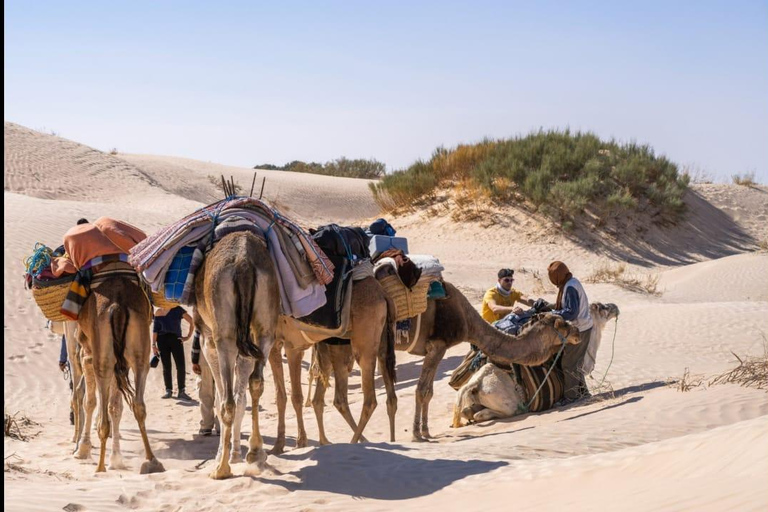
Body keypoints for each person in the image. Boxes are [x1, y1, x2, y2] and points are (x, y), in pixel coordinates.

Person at [547, 261, 593, 404]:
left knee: (569, 363)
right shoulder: (571, 282)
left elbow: (571, 313)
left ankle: (571, 397)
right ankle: (583, 392)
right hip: (584, 327)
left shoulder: (570, 287)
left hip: (579, 329)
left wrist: (553, 314)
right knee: (576, 361)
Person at [152, 306, 194, 400]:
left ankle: (181, 391)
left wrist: (187, 337)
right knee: (166, 367)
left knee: (181, 366)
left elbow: (192, 321)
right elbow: (155, 330)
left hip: (176, 339)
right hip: (162, 341)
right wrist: (153, 345)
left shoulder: (178, 309)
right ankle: (168, 390)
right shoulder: (158, 312)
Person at [191, 329, 219, 436]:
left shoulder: (203, 314)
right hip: (223, 359)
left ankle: (206, 425)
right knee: (221, 393)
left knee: (205, 392)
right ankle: (221, 425)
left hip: (205, 358)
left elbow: (197, 336)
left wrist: (194, 360)